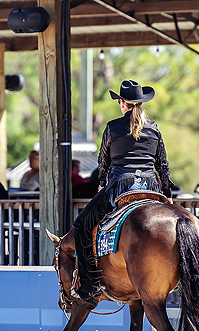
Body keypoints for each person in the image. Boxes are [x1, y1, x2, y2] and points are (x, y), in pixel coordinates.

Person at [71, 79, 173, 304]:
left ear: (121, 103)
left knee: (81, 226)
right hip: (150, 187)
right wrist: (168, 195)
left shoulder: (112, 127)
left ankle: (89, 285)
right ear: (141, 103)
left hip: (120, 186)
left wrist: (101, 185)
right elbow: (163, 166)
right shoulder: (154, 128)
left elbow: (103, 163)